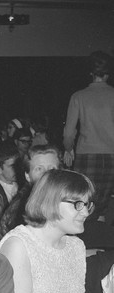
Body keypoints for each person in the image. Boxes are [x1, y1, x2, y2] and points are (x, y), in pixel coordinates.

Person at [63, 51, 114, 218]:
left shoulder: (78, 96)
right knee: (103, 202)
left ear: (91, 73)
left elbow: (69, 132)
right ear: (108, 73)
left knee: (83, 199)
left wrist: (68, 149)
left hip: (86, 155)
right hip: (111, 155)